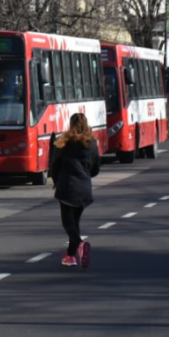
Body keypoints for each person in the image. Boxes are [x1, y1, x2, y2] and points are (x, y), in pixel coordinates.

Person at [50, 113, 101, 269]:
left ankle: (80, 244)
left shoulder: (64, 142)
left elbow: (54, 166)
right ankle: (70, 256)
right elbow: (95, 168)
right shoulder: (91, 144)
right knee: (75, 221)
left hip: (66, 187)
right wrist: (85, 175)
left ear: (70, 124)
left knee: (67, 222)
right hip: (84, 188)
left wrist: (56, 181)